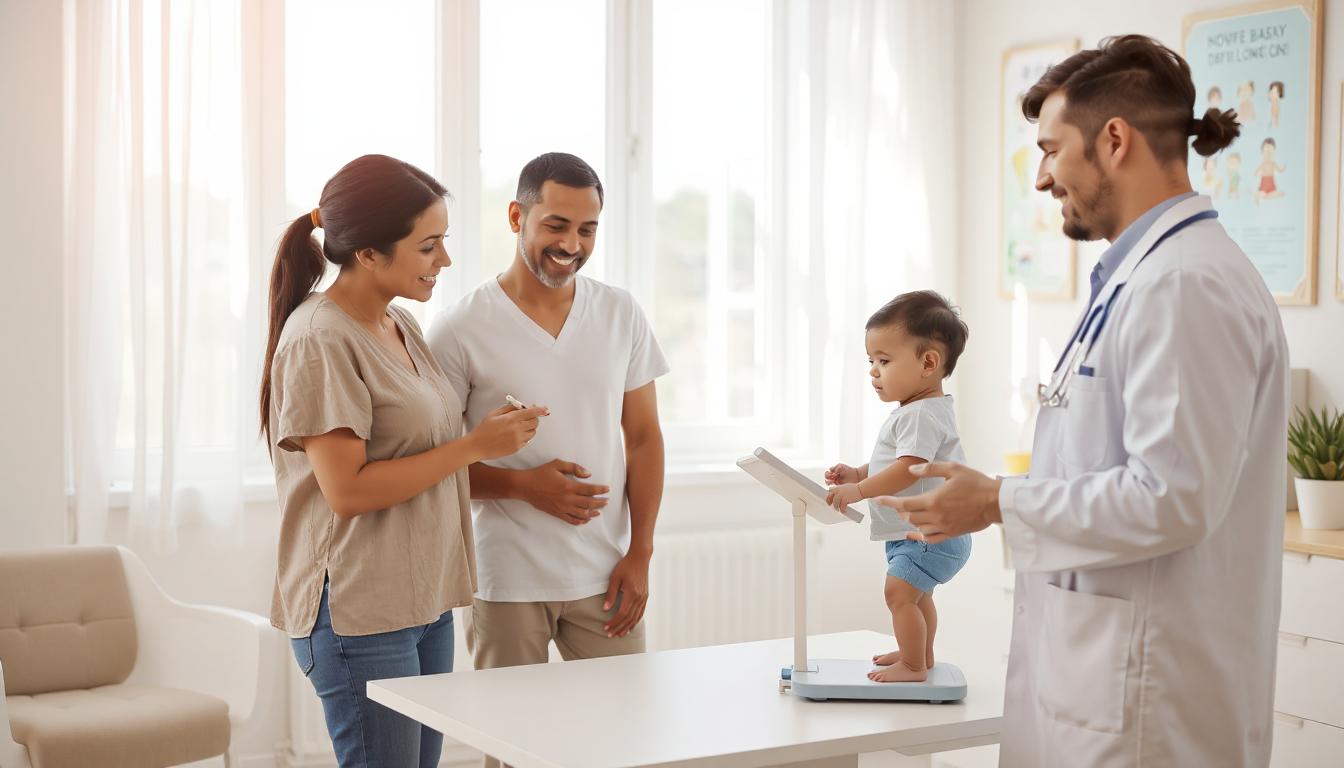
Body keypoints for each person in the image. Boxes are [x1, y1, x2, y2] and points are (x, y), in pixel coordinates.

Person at [880, 36, 1288, 765]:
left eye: (1050, 149)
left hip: (1146, 702)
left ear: (1114, 140)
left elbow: (1175, 497)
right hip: (1105, 681)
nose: (1041, 178)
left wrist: (1001, 501)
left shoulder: (1184, 286)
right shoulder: (1146, 277)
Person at [261, 154, 545, 768]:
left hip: (422, 602)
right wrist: (475, 446)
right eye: (428, 246)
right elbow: (349, 492)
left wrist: (495, 439)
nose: (444, 260)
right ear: (367, 253)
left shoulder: (400, 324)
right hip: (360, 611)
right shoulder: (320, 338)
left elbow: (422, 448)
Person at [427, 152, 667, 767]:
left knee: (624, 744)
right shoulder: (459, 328)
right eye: (556, 226)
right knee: (512, 752)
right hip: (507, 582)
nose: (572, 244)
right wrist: (525, 487)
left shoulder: (620, 314)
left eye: (587, 230)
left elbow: (643, 438)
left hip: (608, 575)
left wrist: (640, 553)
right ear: (517, 215)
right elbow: (436, 465)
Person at [824, 291, 972, 683]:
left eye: (884, 361)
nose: (873, 371)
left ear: (928, 363)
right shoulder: (918, 411)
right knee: (917, 596)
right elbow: (896, 462)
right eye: (871, 361)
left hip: (929, 534)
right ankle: (919, 655)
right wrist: (859, 473)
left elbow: (909, 469)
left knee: (898, 594)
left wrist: (860, 491)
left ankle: (913, 665)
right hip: (922, 533)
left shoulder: (921, 414)